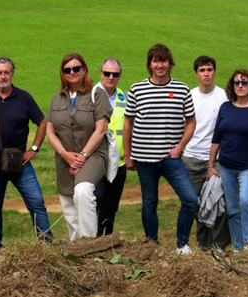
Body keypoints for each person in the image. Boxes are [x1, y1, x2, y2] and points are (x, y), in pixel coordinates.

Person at [124, 44, 199, 255]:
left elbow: (191, 122)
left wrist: (180, 146)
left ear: (170, 63)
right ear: (150, 64)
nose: (160, 65)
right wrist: (128, 155)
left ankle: (182, 244)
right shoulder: (137, 89)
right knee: (149, 204)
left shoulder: (182, 89)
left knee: (191, 200)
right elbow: (127, 123)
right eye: (156, 61)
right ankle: (152, 247)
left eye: (163, 61)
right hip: (144, 159)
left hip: (171, 158)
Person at [0, 57, 54, 248]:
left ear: (12, 74)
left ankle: (46, 245)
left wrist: (34, 149)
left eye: (6, 72)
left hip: (20, 163)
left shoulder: (24, 97)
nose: (3, 76)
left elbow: (42, 122)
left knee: (37, 203)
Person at [45, 53, 111, 241]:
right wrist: (65, 154)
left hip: (93, 155)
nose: (72, 72)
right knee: (68, 204)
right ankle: (76, 248)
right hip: (65, 157)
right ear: (62, 73)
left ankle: (89, 244)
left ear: (84, 70)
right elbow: (50, 131)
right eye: (67, 70)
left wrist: (82, 156)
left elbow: (101, 129)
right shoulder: (57, 98)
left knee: (82, 192)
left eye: (76, 68)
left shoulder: (97, 94)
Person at [208, 68, 248, 252]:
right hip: (226, 166)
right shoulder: (225, 107)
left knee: (245, 201)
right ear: (232, 86)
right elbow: (216, 138)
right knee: (232, 208)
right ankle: (237, 247)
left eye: (244, 82)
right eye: (237, 82)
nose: (240, 86)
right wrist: (211, 164)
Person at [182, 56, 231, 251]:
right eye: (202, 70)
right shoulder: (189, 96)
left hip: (218, 159)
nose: (206, 74)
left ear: (214, 71)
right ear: (196, 73)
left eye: (209, 69)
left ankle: (219, 246)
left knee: (218, 200)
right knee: (194, 203)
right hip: (192, 158)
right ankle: (203, 245)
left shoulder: (224, 96)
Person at [92, 58, 128, 236]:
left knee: (111, 207)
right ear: (100, 73)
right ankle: (93, 240)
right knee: (96, 202)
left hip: (119, 162)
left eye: (115, 74)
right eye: (107, 73)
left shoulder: (125, 97)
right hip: (96, 160)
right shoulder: (90, 95)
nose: (111, 77)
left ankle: (108, 242)